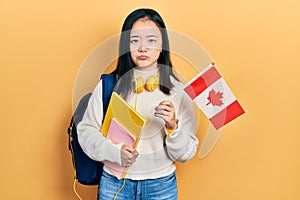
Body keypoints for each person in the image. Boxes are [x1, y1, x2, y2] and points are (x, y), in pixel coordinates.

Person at [77, 8, 199, 200]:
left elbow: (185, 153)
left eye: (151, 40)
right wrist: (115, 153)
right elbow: (86, 132)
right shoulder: (109, 85)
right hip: (114, 184)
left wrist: (173, 127)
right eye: (135, 40)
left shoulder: (178, 90)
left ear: (162, 45)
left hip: (161, 187)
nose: (143, 48)